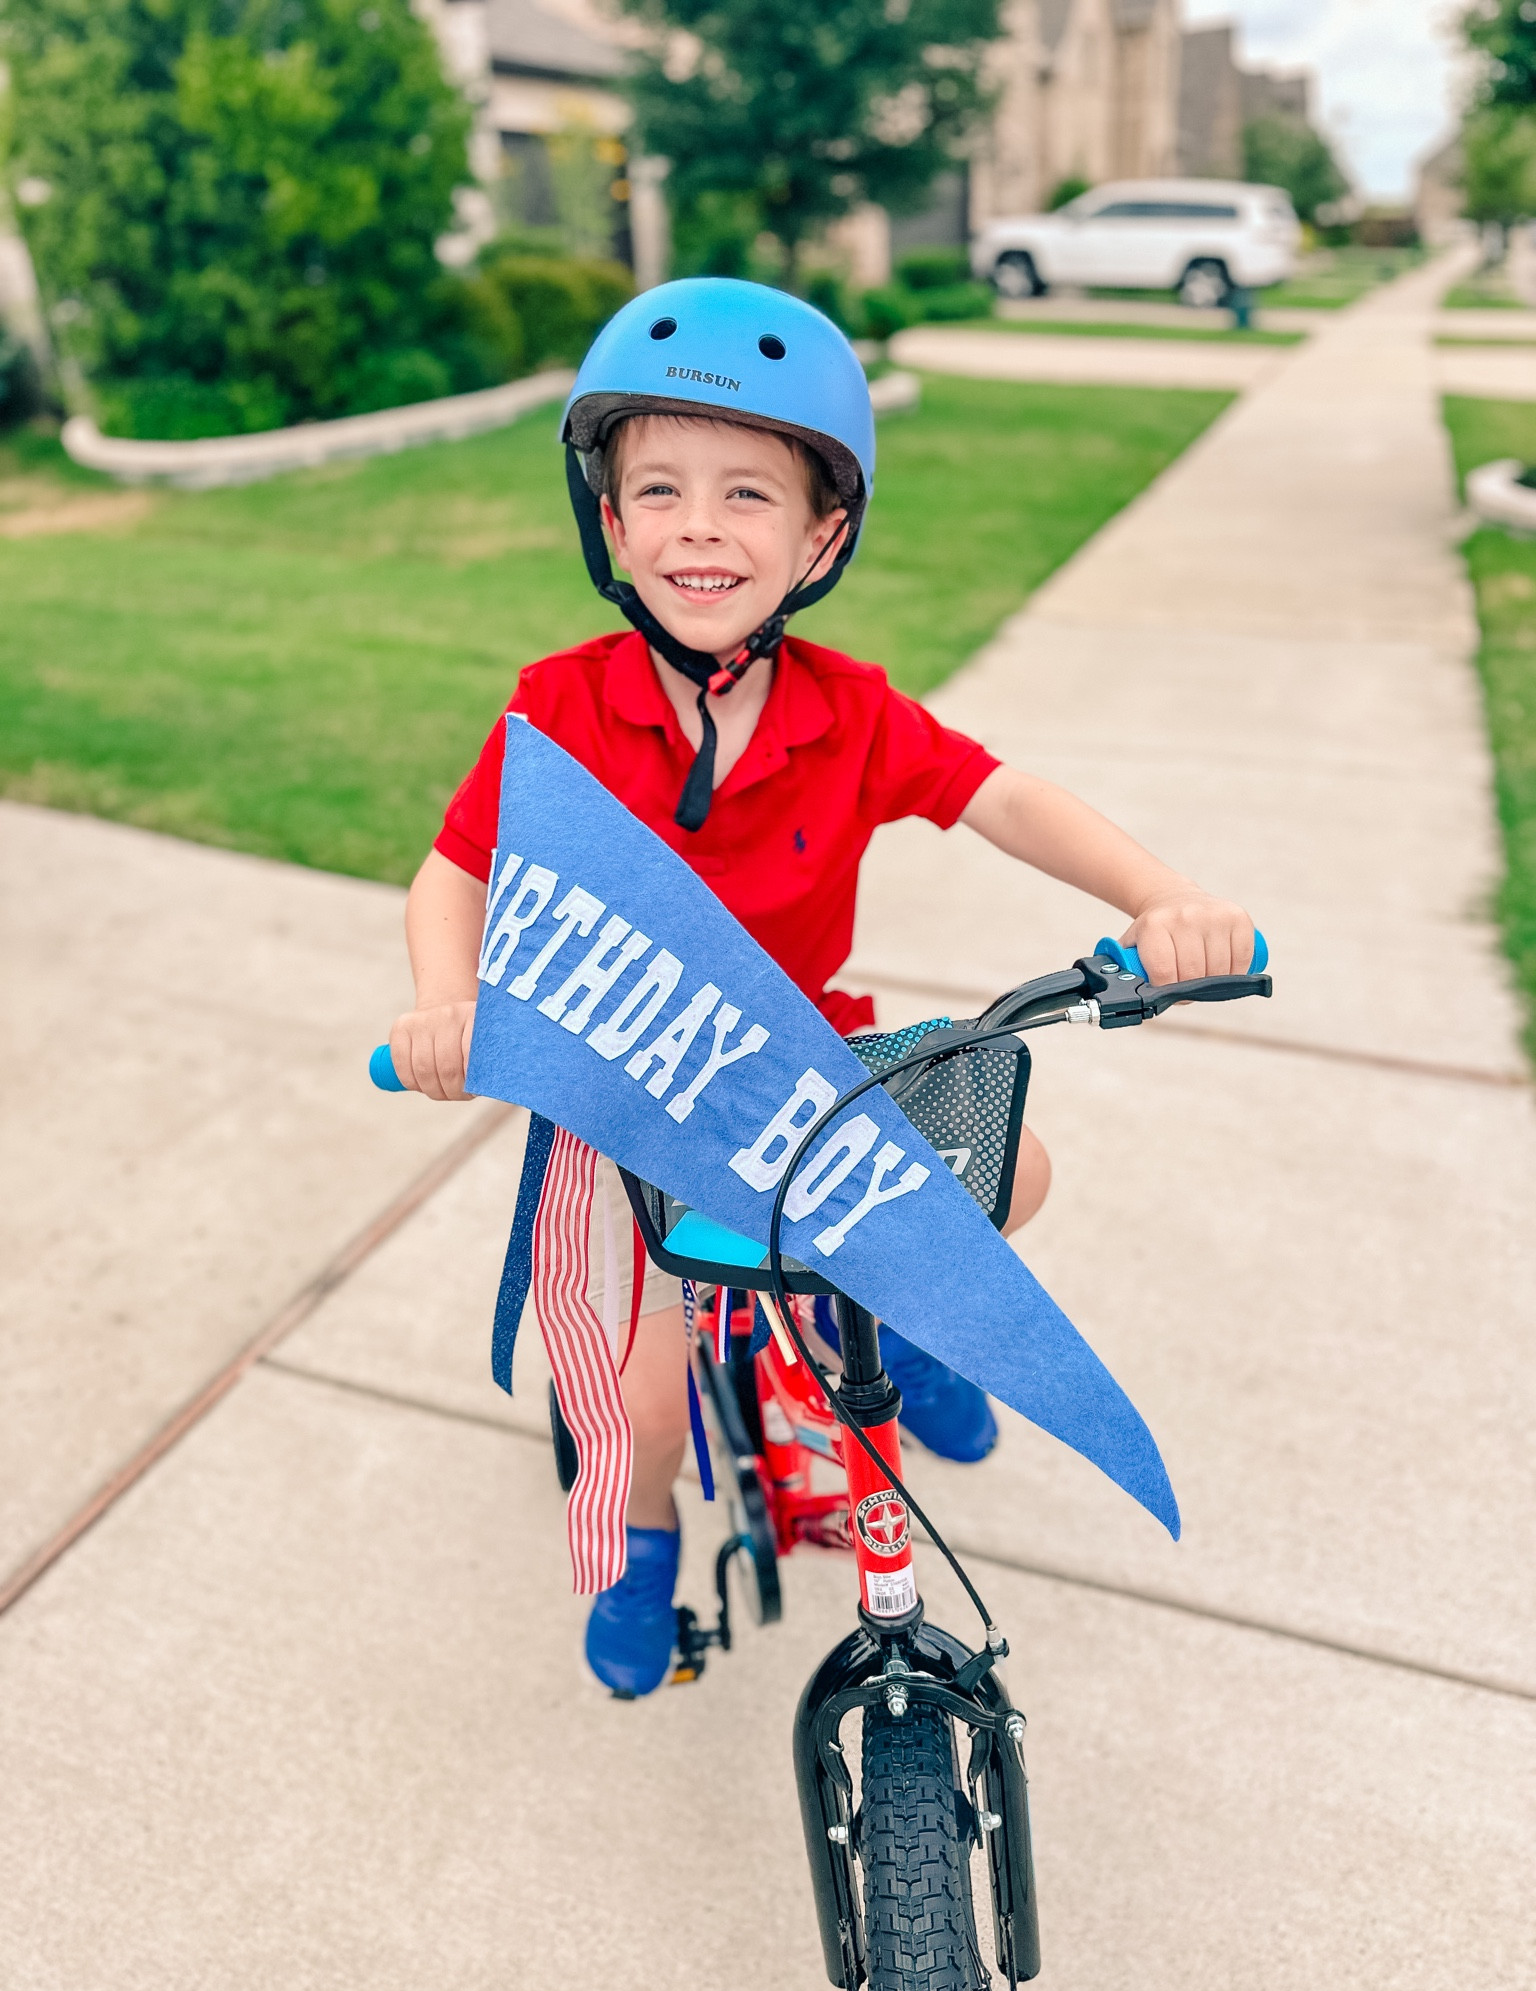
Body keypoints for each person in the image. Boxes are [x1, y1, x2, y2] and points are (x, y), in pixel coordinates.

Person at [388, 278, 1254, 1697]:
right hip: (628, 1083)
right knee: (637, 1400)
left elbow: (1004, 796)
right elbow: (450, 873)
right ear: (609, 523)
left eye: (747, 494)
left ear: (821, 534)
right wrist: (444, 995)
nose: (700, 526)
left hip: (804, 1057)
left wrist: (1160, 898)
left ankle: (916, 1325)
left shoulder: (848, 710)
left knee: (1006, 1171)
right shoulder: (557, 704)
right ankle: (646, 1543)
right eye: (656, 488)